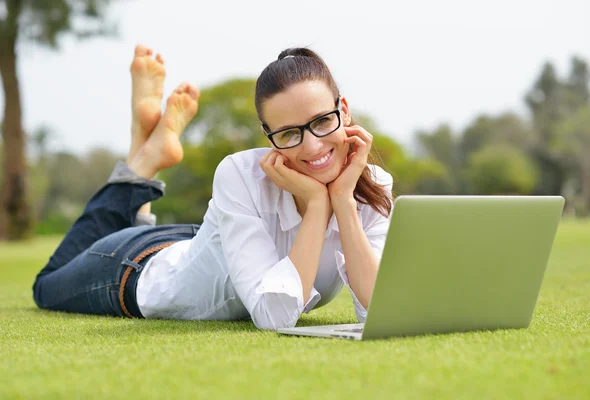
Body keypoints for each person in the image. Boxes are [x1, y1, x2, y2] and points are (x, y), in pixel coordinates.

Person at [32, 45, 394, 330]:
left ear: (343, 110)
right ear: (268, 136)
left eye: (321, 121)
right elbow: (273, 316)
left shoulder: (371, 186)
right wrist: (317, 205)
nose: (312, 146)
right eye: (289, 133)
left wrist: (342, 201)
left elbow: (381, 307)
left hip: (194, 243)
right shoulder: (240, 174)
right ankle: (142, 159)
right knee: (46, 286)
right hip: (136, 270)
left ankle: (144, 147)